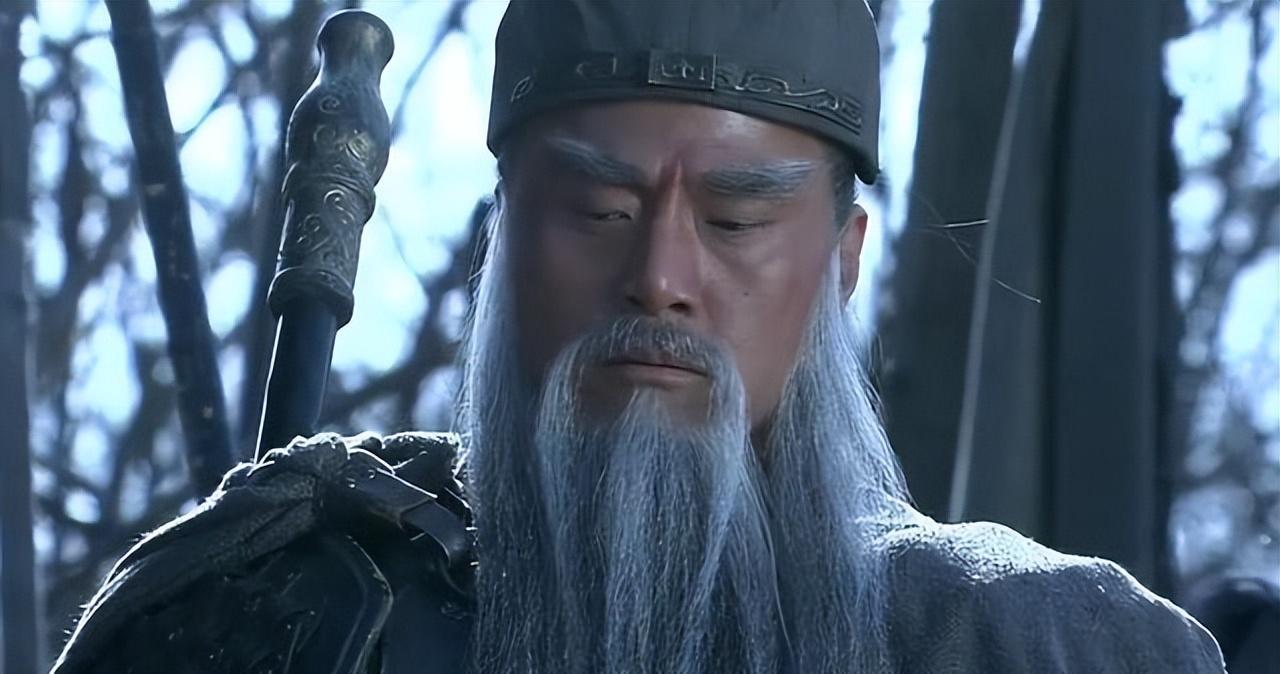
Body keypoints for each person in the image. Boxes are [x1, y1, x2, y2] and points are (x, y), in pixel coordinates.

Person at [53, 1, 1225, 672]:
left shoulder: (1026, 644)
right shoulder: (274, 601)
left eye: (734, 219)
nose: (658, 277)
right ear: (503, 237)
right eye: (598, 210)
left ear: (841, 261)